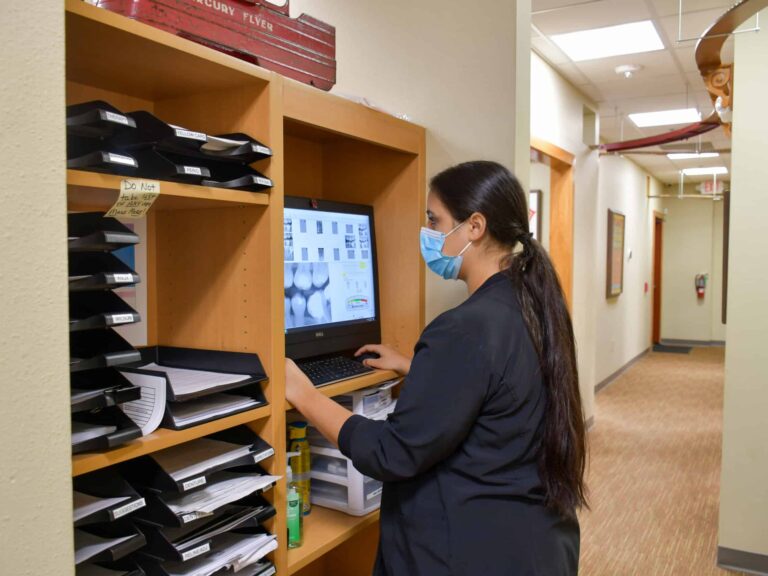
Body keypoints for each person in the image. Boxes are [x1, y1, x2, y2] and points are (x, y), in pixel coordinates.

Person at [285, 160, 587, 575]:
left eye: (434, 219)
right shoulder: (533, 303)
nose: (427, 232)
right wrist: (419, 367)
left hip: (472, 551)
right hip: (534, 542)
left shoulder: (465, 329)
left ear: (475, 226)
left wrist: (302, 393)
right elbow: (505, 385)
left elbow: (392, 452)